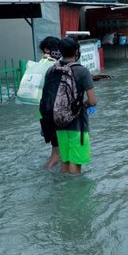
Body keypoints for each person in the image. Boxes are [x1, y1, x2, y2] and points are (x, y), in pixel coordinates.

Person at [46, 37, 98, 175]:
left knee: (65, 160)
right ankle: (75, 193)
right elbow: (92, 101)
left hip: (58, 123)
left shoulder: (51, 70)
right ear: (76, 51)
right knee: (76, 163)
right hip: (78, 124)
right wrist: (84, 105)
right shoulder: (82, 71)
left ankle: (64, 192)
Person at [38, 36, 62, 169]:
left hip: (45, 111)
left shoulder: (40, 66)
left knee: (57, 149)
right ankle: (47, 174)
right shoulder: (49, 65)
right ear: (48, 49)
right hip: (54, 112)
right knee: (56, 153)